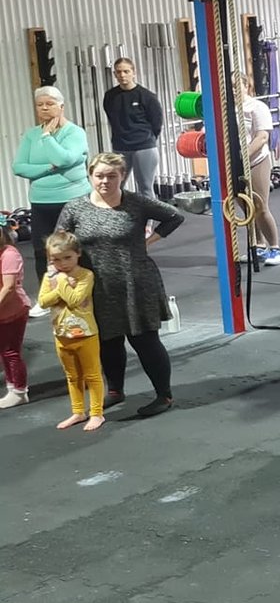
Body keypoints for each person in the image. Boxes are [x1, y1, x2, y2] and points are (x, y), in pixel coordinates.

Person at [57, 153, 183, 418]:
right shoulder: (75, 207)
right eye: (99, 175)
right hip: (96, 288)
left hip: (135, 283)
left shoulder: (135, 203)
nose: (105, 181)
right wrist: (57, 272)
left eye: (112, 176)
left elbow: (174, 216)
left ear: (122, 176)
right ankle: (115, 391)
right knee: (107, 341)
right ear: (90, 175)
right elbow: (60, 241)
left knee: (145, 341)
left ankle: (164, 395)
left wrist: (148, 242)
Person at [14, 86, 92, 312]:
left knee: (78, 247)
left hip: (73, 199)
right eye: (40, 105)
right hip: (41, 200)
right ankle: (46, 296)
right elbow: (19, 167)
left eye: (49, 104)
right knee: (41, 250)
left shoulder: (75, 133)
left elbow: (65, 158)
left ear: (61, 106)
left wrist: (48, 137)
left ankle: (84, 290)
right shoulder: (30, 135)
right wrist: (50, 167)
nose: (45, 108)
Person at [40, 232, 104, 431]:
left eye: (67, 257)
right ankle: (78, 411)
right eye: (56, 259)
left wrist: (59, 283)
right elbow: (43, 301)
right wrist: (61, 284)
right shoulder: (50, 277)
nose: (62, 263)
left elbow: (75, 300)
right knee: (72, 376)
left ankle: (97, 413)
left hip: (86, 334)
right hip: (61, 334)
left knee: (92, 375)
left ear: (78, 254)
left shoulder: (86, 275)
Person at [234, 78, 280, 266]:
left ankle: (275, 248)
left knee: (260, 207)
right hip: (234, 165)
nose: (233, 89)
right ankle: (259, 246)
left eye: (236, 84)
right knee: (246, 208)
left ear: (246, 85)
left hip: (256, 161)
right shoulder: (225, 109)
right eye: (229, 86)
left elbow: (262, 137)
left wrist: (242, 156)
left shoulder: (257, 107)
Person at [101, 58, 164, 199]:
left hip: (144, 147)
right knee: (115, 186)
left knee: (145, 187)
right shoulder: (110, 96)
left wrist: (147, 139)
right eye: (119, 72)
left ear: (133, 73)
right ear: (114, 74)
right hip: (120, 147)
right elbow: (112, 118)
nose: (122, 75)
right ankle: (119, 218)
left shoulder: (147, 96)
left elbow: (157, 123)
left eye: (126, 71)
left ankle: (148, 220)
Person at [0, 223, 29, 409]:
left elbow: (9, 287)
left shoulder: (9, 254)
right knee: (5, 352)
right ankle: (12, 387)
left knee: (11, 352)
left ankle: (19, 391)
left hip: (13, 310)